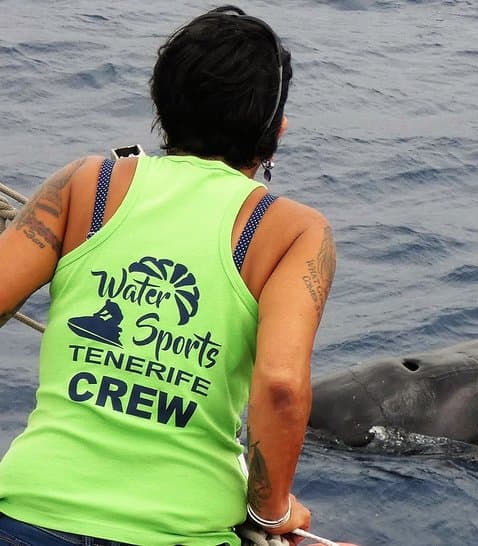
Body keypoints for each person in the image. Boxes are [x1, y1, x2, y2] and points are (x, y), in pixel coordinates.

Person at [0, 6, 352, 546]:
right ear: (275, 129)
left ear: (161, 106)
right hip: (182, 531)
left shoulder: (86, 184)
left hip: (26, 514)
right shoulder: (295, 232)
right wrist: (270, 511)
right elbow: (280, 387)